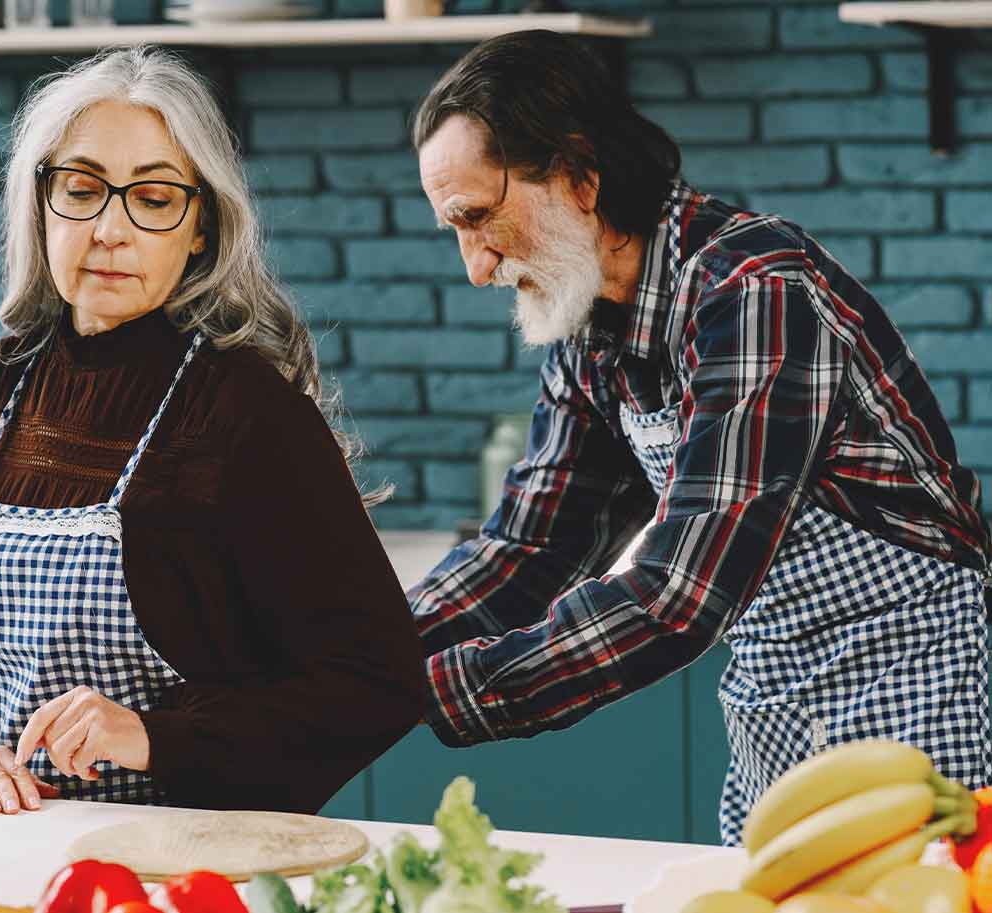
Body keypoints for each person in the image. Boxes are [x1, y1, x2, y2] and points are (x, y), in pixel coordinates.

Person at [408, 29, 992, 844]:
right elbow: (528, 546)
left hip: (916, 683)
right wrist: (368, 658)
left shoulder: (753, 293)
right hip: (771, 701)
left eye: (480, 217)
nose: (476, 267)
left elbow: (680, 593)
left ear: (579, 176)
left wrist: (434, 689)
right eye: (456, 231)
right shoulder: (592, 329)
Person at [0, 45, 424, 815]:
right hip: (2, 850)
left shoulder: (247, 411)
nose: (110, 228)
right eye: (81, 188)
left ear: (200, 227)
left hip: (193, 863)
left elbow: (377, 680)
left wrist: (153, 736)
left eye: (152, 198)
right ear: (38, 205)